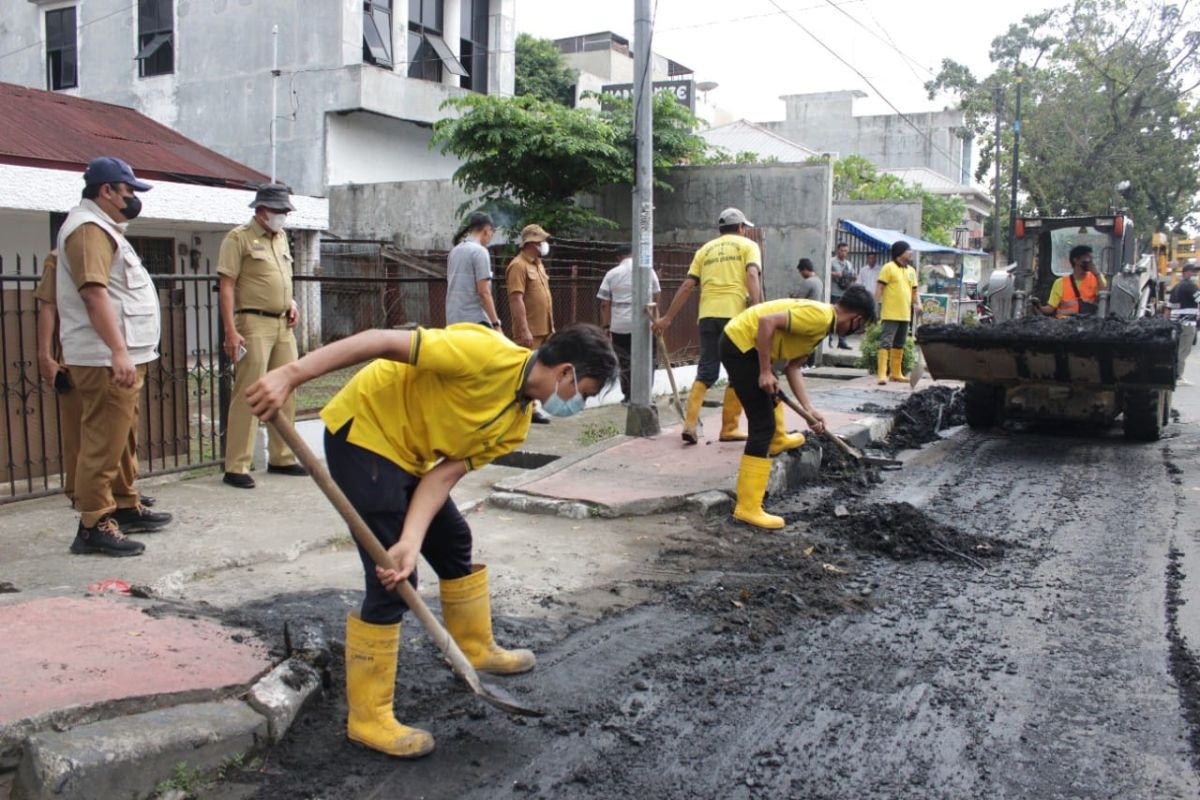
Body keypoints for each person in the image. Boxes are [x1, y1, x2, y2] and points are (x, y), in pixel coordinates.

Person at [244, 322, 618, 758]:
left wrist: (411, 538)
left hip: (410, 456)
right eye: (586, 394)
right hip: (365, 434)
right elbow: (381, 341)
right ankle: (368, 717)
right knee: (393, 581)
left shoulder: (516, 422)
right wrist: (291, 374)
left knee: (452, 540)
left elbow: (443, 475)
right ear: (566, 373)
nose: (580, 404)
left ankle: (474, 647)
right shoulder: (484, 355)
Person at [56, 156, 173, 557]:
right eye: (128, 192)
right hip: (105, 358)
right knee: (103, 442)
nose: (133, 199)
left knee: (121, 438)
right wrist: (118, 350)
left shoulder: (104, 228)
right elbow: (93, 293)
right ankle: (92, 523)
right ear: (107, 191)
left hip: (118, 356)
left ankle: (123, 506)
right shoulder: (88, 229)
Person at [720, 285, 876, 530]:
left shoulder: (822, 328)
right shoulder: (820, 316)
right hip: (739, 346)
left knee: (772, 394)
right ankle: (747, 508)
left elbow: (793, 368)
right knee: (762, 426)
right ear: (856, 319)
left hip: (746, 346)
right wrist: (764, 371)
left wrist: (809, 409)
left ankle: (778, 439)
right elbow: (766, 322)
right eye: (862, 325)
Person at [37, 250, 159, 515]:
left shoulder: (111, 252)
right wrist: (46, 356)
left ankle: (123, 492)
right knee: (86, 434)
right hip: (85, 357)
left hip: (120, 358)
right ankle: (84, 497)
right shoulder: (62, 257)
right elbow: (48, 305)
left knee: (124, 430)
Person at [218, 184, 307, 489]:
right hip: (252, 323)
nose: (283, 216)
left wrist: (291, 303)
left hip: (283, 324)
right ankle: (237, 465)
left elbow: (280, 278)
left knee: (286, 387)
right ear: (261, 210)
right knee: (250, 390)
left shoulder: (281, 238)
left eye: (285, 211)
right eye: (279, 211)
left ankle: (282, 457)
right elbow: (227, 286)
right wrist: (230, 330)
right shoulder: (238, 238)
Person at [652, 207, 763, 445]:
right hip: (735, 318)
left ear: (720, 229)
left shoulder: (705, 250)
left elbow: (686, 286)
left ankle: (690, 424)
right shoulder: (748, 246)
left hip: (707, 316)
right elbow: (752, 276)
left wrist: (667, 318)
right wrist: (759, 310)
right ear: (742, 228)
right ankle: (729, 428)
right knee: (740, 371)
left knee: (706, 371)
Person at [597, 246, 661, 402]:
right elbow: (657, 294)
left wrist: (606, 326)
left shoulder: (611, 274)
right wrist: (656, 318)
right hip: (645, 324)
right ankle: (645, 394)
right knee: (647, 359)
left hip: (620, 326)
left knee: (624, 360)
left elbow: (604, 304)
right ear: (633, 254)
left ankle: (628, 396)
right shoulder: (648, 271)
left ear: (618, 258)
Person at [506, 224, 555, 424]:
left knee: (539, 369)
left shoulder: (538, 264)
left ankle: (532, 408)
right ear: (532, 243)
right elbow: (516, 299)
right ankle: (527, 411)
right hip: (530, 330)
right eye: (542, 241)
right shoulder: (518, 265)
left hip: (544, 327)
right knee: (526, 370)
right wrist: (524, 329)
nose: (545, 245)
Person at [445, 212, 501, 329]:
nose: (491, 236)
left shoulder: (454, 251)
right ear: (486, 229)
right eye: (492, 232)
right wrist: (496, 324)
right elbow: (484, 292)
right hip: (475, 322)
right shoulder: (480, 252)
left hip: (453, 320)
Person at [874, 240, 919, 385]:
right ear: (900, 252)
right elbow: (880, 288)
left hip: (905, 314)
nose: (911, 252)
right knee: (885, 342)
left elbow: (914, 291)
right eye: (908, 250)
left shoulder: (911, 271)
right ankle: (882, 374)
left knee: (900, 343)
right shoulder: (888, 268)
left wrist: (918, 304)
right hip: (890, 313)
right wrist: (874, 306)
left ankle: (896, 373)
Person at [1032, 244, 1107, 318]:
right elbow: (1051, 309)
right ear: (1076, 260)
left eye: (1091, 258)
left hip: (1088, 323)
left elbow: (1104, 296)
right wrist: (1039, 307)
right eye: (1087, 258)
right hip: (1064, 324)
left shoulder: (1097, 279)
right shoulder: (1060, 283)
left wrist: (1097, 274)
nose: (1091, 261)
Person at [829, 242, 855, 350]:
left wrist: (853, 277)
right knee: (831, 318)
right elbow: (825, 272)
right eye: (841, 250)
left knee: (844, 319)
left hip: (845, 294)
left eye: (845, 251)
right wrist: (834, 274)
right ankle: (828, 341)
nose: (843, 253)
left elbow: (853, 275)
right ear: (837, 250)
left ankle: (842, 341)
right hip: (834, 293)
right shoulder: (831, 261)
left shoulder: (848, 264)